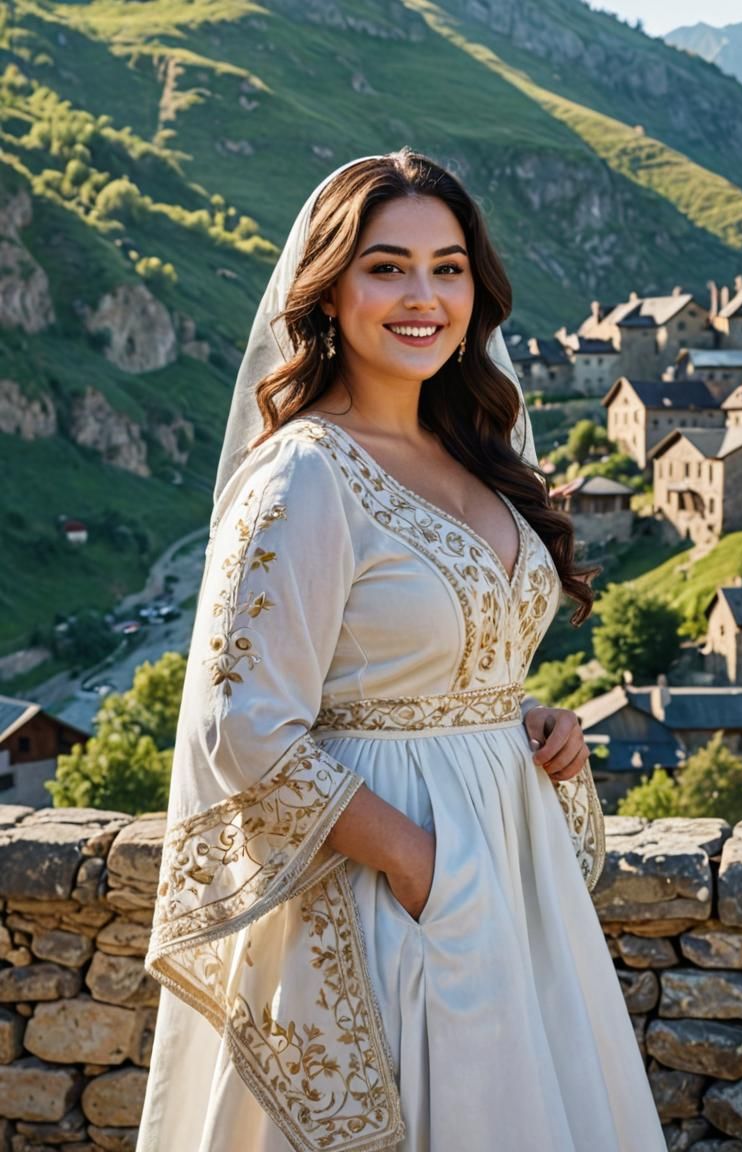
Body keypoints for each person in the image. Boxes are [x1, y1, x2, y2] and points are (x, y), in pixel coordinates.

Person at [136, 148, 667, 1152]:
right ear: (329, 292)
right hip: (385, 892)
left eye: (447, 266)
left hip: (509, 863)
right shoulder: (303, 474)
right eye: (386, 267)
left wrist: (524, 721)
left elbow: (424, 670)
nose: (422, 295)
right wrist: (426, 871)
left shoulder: (465, 451)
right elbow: (237, 727)